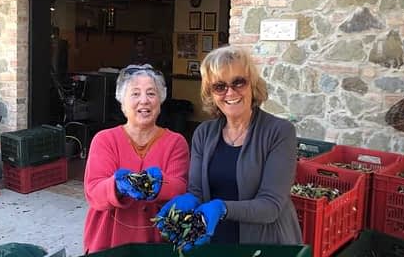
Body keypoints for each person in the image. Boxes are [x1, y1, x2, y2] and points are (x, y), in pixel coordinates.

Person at [156, 45, 302, 249]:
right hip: (214, 239)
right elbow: (197, 190)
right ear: (211, 93)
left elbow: (271, 205)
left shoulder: (279, 132)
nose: (230, 92)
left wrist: (222, 208)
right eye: (219, 86)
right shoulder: (203, 133)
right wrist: (188, 200)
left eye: (238, 82)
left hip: (266, 243)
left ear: (252, 84)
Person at [83, 64, 190, 254]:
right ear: (122, 102)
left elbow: (179, 186)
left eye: (151, 93)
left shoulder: (176, 142)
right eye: (135, 94)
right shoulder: (105, 140)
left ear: (160, 101)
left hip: (156, 242)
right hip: (107, 240)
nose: (144, 100)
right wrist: (115, 186)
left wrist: (159, 184)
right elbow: (94, 194)